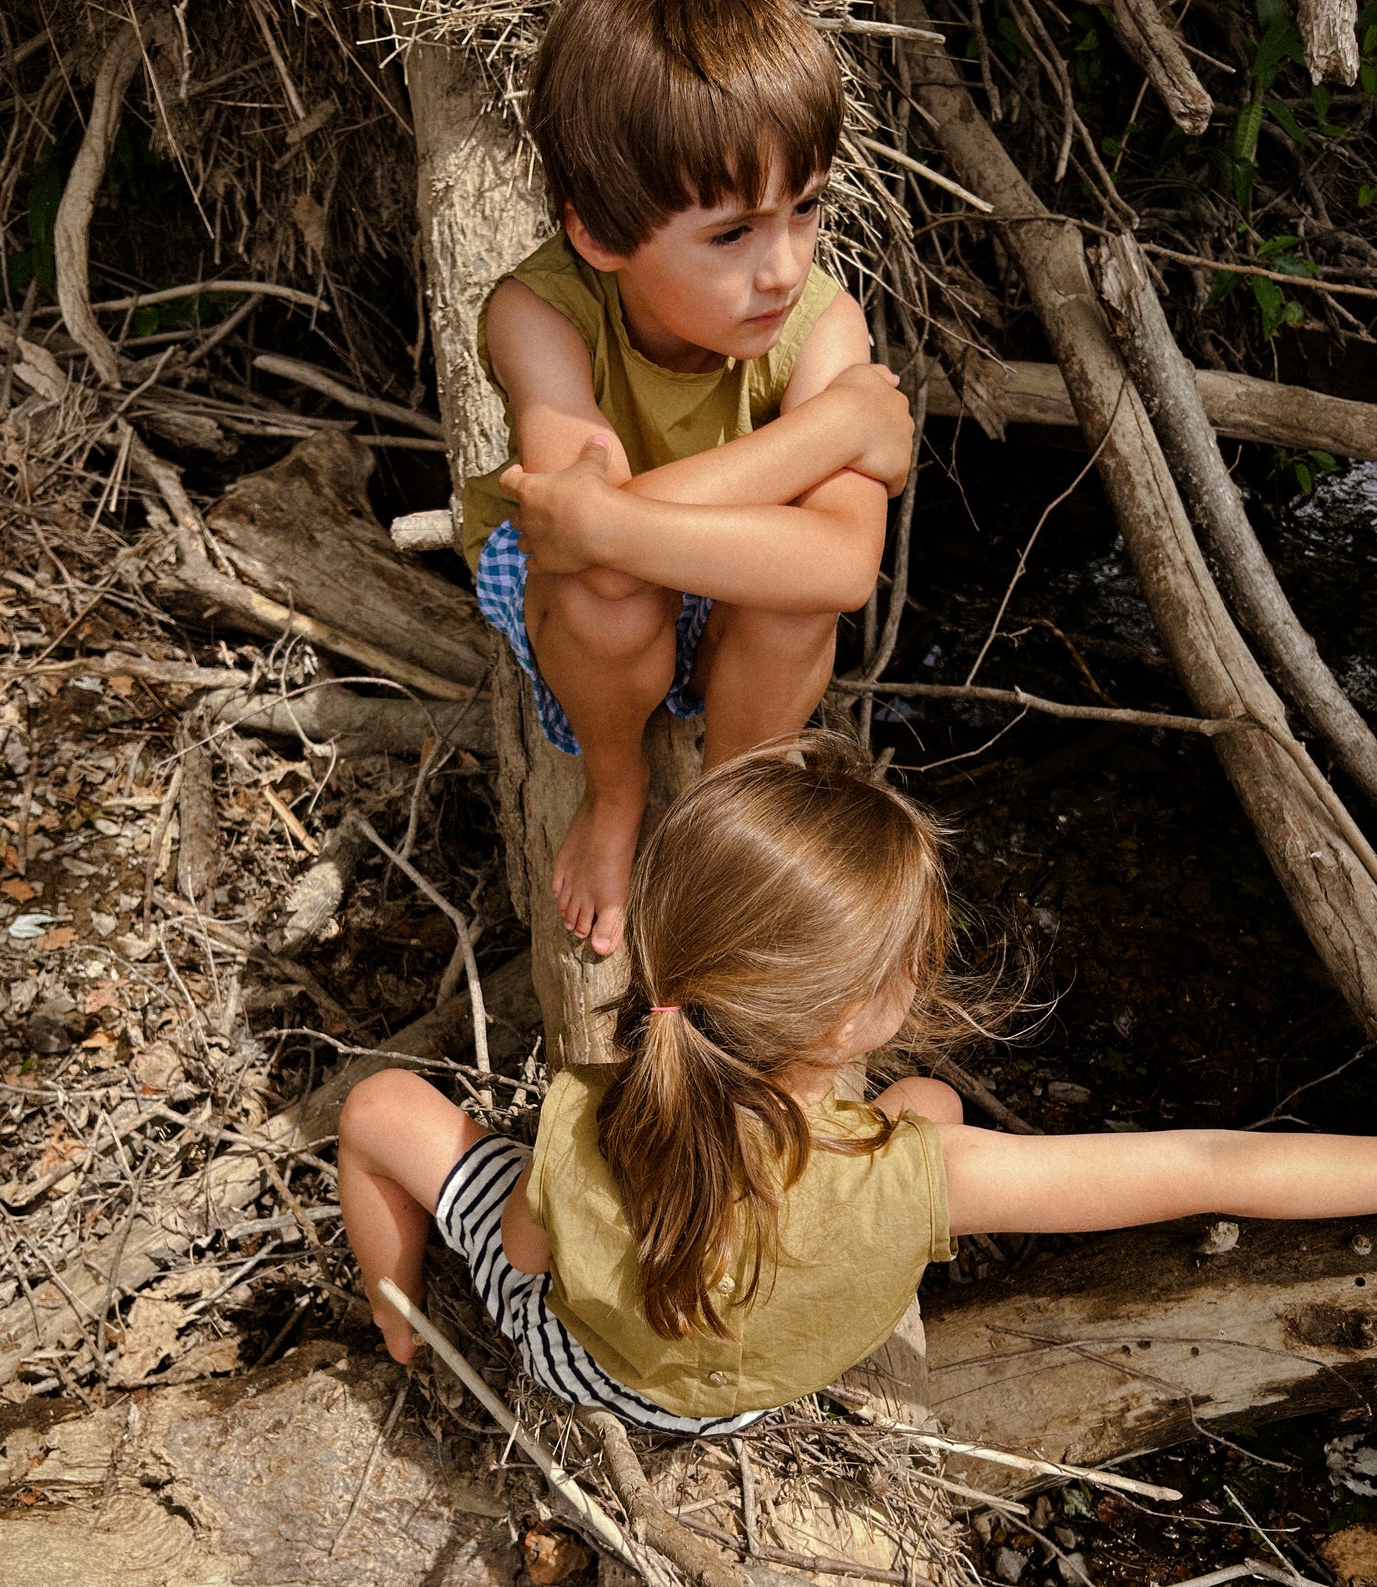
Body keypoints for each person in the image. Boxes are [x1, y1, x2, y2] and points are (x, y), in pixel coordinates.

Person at [338, 735, 1377, 1437]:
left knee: (378, 1109)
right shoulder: (932, 1177)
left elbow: (525, 1254)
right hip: (762, 1395)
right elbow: (1210, 1164)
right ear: (846, 1017)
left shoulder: (588, 1114)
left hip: (588, 1371)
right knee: (925, 1104)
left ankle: (400, 1329)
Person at [464, 0, 914, 957]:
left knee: (792, 598)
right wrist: (834, 427)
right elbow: (575, 546)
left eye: (806, 208)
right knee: (609, 595)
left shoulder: (822, 324)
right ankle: (615, 789)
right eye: (730, 235)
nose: (785, 268)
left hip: (713, 578)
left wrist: (606, 520)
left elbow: (839, 569)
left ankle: (724, 815)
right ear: (600, 236)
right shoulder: (537, 315)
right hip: (588, 597)